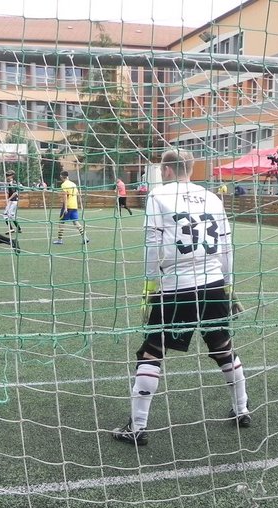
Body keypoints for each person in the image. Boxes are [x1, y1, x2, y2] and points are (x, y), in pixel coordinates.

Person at [112, 148, 250, 446]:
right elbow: (227, 245)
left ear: (168, 170)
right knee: (222, 345)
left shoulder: (158, 195)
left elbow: (153, 242)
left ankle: (137, 427)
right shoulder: (213, 197)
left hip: (177, 285)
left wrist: (150, 285)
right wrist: (227, 285)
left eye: (163, 168)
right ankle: (242, 409)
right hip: (212, 282)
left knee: (151, 351)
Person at [53, 171, 88, 245]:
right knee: (75, 222)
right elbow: (78, 195)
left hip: (68, 206)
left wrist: (65, 208)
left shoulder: (64, 185)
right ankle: (85, 237)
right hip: (74, 206)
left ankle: (60, 240)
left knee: (61, 222)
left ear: (61, 176)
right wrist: (77, 204)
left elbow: (65, 196)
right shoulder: (73, 184)